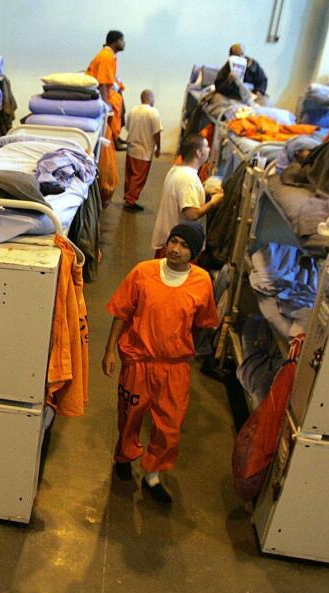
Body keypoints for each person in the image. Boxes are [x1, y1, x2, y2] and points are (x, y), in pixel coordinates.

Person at [102, 223, 219, 504]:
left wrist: (185, 349)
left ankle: (153, 473)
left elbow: (202, 323)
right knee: (130, 417)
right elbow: (121, 312)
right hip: (139, 362)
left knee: (169, 425)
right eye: (173, 242)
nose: (176, 250)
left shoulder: (202, 282)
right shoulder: (143, 273)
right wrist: (109, 351)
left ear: (195, 252)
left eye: (184, 246)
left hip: (175, 366)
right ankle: (124, 456)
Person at [151, 135, 223, 256]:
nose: (209, 150)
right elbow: (191, 214)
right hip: (177, 246)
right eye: (206, 147)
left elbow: (180, 195)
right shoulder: (188, 179)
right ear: (198, 152)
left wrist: (203, 191)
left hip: (169, 240)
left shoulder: (177, 170)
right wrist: (213, 202)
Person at [121, 90, 162, 211]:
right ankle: (130, 201)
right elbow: (157, 132)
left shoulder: (133, 111)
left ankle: (128, 197)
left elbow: (127, 128)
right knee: (138, 177)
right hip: (144, 151)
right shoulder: (153, 113)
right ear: (150, 98)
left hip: (131, 149)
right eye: (153, 98)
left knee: (130, 175)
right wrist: (159, 148)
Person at [85, 30, 126, 149]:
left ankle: (116, 136)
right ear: (115, 41)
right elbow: (102, 82)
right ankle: (114, 138)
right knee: (114, 103)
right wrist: (105, 103)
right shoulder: (106, 56)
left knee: (119, 100)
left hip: (105, 91)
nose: (124, 43)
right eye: (122, 40)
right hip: (98, 93)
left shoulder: (109, 56)